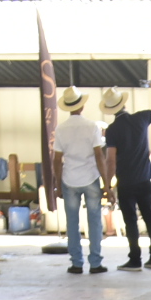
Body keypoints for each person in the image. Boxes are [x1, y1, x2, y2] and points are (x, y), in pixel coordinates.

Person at [103, 79, 151, 270]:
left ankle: (135, 259)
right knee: (150, 216)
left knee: (130, 221)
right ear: (123, 104)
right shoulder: (142, 118)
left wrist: (108, 185)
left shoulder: (112, 130)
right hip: (144, 178)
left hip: (126, 181)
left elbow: (111, 160)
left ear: (111, 110)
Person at [52, 86, 111, 274]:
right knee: (94, 221)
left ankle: (76, 263)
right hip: (90, 177)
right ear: (82, 106)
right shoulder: (92, 127)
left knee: (72, 222)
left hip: (69, 179)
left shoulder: (60, 129)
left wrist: (57, 184)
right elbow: (99, 156)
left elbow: (57, 160)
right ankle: (95, 263)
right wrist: (106, 184)